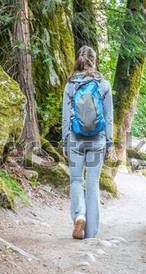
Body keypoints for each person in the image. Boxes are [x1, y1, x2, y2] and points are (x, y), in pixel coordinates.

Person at [61, 45, 114, 240]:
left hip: (75, 139)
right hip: (97, 140)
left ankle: (79, 215)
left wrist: (65, 143)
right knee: (92, 183)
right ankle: (91, 235)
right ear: (94, 60)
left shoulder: (70, 85)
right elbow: (108, 118)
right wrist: (109, 144)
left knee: (76, 180)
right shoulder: (103, 84)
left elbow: (66, 118)